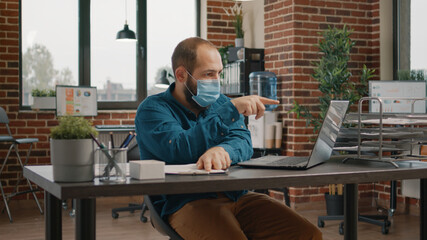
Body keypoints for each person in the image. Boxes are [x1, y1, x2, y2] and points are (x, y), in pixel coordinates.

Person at [135, 37, 322, 240]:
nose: (216, 81)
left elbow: (243, 142)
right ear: (181, 75)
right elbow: (180, 148)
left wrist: (223, 150)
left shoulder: (220, 103)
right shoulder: (153, 109)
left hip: (235, 194)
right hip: (184, 202)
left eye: (219, 73)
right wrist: (229, 111)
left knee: (308, 234)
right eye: (208, 74)